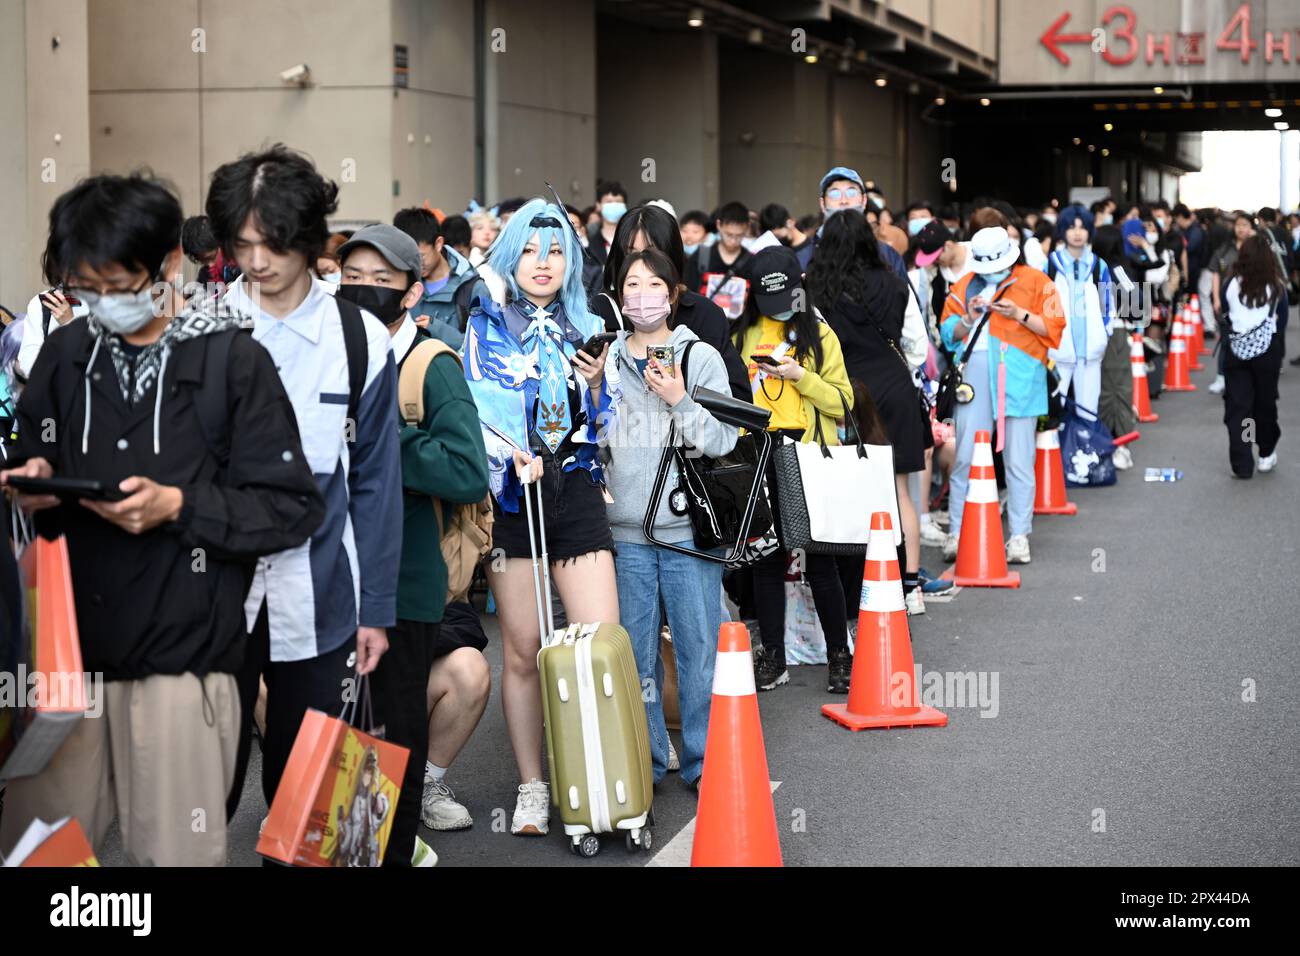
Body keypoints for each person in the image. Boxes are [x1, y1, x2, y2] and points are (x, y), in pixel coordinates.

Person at [0, 172, 324, 866]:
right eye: (86, 289)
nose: (102, 305)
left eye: (118, 287)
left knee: (172, 856)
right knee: (44, 858)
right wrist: (31, 479)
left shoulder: (231, 361)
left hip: (183, 666)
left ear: (168, 265)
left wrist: (179, 505)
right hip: (66, 664)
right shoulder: (66, 354)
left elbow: (291, 507)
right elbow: (36, 449)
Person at [207, 145, 403, 829]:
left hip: (325, 583)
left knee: (315, 783)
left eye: (273, 243)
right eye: (242, 243)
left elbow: (377, 481)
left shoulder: (360, 338)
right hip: (215, 584)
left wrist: (376, 607)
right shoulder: (199, 329)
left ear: (311, 238)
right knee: (207, 777)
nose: (256, 261)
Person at [335, 223, 491, 866]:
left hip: (405, 584)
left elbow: (468, 471)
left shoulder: (431, 365)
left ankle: (389, 853)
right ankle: (345, 850)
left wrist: (383, 437)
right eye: (351, 280)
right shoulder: (327, 355)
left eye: (381, 281)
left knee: (389, 740)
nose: (365, 291)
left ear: (412, 292)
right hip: (328, 579)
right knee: (338, 738)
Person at [461, 197, 618, 837]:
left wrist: (600, 383)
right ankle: (532, 785)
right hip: (512, 495)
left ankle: (603, 775)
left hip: (576, 486)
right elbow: (476, 410)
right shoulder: (486, 323)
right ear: (509, 255)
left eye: (555, 251)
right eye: (529, 249)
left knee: (599, 639)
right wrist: (510, 454)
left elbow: (603, 425)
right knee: (523, 649)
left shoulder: (589, 319)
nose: (544, 263)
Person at [600, 247, 737, 789]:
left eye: (654, 285)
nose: (642, 296)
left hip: (689, 534)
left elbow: (723, 439)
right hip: (627, 534)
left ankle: (705, 762)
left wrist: (679, 398)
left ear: (673, 293)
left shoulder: (699, 357)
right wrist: (591, 394)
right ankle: (649, 762)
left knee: (698, 651)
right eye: (631, 285)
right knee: (636, 661)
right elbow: (598, 446)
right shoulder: (605, 358)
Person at [733, 245, 854, 694]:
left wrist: (799, 377)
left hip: (808, 455)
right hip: (758, 454)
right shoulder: (740, 334)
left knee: (820, 561)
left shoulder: (820, 335)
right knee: (765, 560)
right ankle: (774, 657)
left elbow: (845, 403)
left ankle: (839, 656)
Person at [806, 210, 931, 615]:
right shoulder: (896, 284)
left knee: (848, 492)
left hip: (843, 395)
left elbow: (814, 348)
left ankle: (856, 590)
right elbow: (917, 346)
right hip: (894, 388)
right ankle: (910, 586)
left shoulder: (816, 290)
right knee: (899, 490)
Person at [939, 227, 1065, 566]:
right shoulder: (965, 285)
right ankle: (958, 529)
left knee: (1020, 459)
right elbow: (947, 334)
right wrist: (969, 317)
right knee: (965, 454)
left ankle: (1020, 535)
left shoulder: (1038, 281)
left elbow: (1055, 329)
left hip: (1020, 375)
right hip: (977, 374)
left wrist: (1018, 314)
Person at [590, 202, 750, 401]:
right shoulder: (600, 312)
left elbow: (736, 398)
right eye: (631, 253)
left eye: (652, 253)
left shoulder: (703, 314)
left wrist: (681, 397)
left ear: (672, 255)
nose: (641, 264)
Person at [1221, 234, 1286, 478]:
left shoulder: (1230, 284)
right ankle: (1266, 453)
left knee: (1240, 408)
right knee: (1264, 405)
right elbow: (1281, 322)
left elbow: (1225, 314)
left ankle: (1243, 461)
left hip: (1237, 352)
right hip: (1267, 353)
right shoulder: (1276, 287)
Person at [1045, 206, 1113, 426]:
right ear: (1063, 231)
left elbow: (1107, 305)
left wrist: (1104, 332)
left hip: (1090, 349)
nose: (1077, 233)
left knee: (1088, 410)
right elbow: (1042, 303)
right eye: (1071, 227)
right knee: (1053, 407)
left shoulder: (1098, 265)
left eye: (1082, 228)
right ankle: (1053, 456)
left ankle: (1085, 453)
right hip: (1058, 348)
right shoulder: (1051, 264)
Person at [393, 206, 485, 343]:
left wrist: (437, 329)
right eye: (408, 258)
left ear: (438, 244)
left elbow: (486, 347)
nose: (415, 264)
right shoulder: (400, 284)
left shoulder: (472, 289)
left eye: (420, 257)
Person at [797, 166, 908, 279]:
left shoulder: (888, 255)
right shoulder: (804, 258)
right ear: (822, 204)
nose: (844, 201)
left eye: (851, 193)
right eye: (834, 194)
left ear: (864, 201)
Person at [1089, 224, 1140, 459]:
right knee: (1117, 387)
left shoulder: (1088, 265)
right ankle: (1120, 443)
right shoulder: (1116, 267)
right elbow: (1136, 300)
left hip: (1086, 332)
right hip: (1114, 331)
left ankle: (1098, 438)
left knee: (1098, 388)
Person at [586, 179, 629, 266]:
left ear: (625, 206)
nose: (614, 205)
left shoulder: (632, 236)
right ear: (598, 205)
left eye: (618, 202)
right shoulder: (588, 237)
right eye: (609, 202)